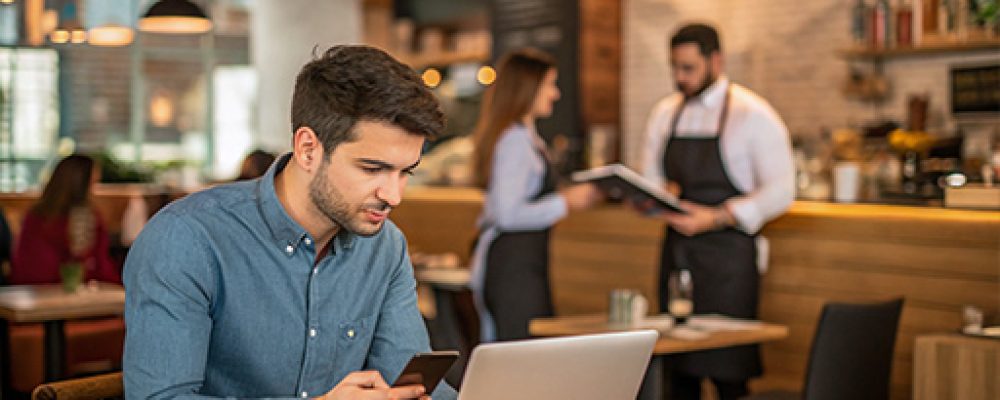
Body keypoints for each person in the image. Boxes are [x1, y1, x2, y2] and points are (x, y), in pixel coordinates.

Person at [123, 46, 455, 400]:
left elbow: (410, 385)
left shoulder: (385, 247)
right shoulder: (187, 239)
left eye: (406, 172)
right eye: (373, 169)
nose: (394, 195)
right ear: (308, 148)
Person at [638, 24, 794, 400]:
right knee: (677, 372)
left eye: (688, 68)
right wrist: (658, 197)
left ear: (716, 60)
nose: (680, 77)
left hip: (729, 260)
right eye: (675, 67)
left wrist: (718, 216)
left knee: (729, 371)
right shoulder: (664, 113)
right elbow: (650, 179)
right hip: (677, 252)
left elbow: (783, 191)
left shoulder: (752, 114)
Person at [469, 48, 602, 342]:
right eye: (550, 85)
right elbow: (507, 213)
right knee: (519, 359)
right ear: (528, 88)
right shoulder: (515, 140)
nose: (555, 94)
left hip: (522, 263)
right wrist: (566, 202)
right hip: (513, 267)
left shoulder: (524, 137)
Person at [11, 154, 120, 284]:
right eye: (93, 184)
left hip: (33, 292)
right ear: (82, 185)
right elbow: (100, 267)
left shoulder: (34, 217)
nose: (94, 192)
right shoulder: (87, 219)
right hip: (56, 293)